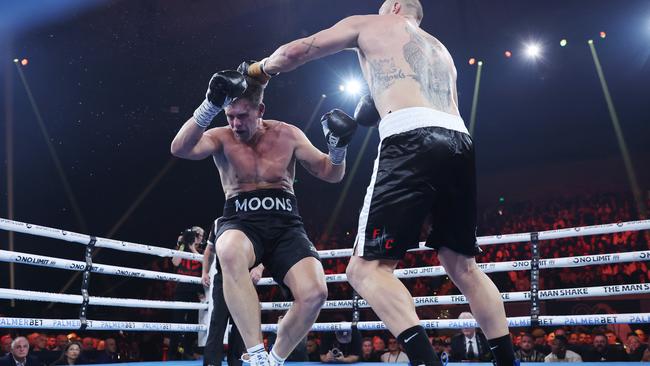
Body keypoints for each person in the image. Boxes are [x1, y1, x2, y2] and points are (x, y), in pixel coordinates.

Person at [240, 1, 514, 365]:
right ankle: (508, 361)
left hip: (410, 136)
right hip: (459, 141)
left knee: (365, 269)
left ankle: (425, 361)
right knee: (463, 266)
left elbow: (298, 49)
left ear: (395, 5)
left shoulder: (371, 23)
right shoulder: (440, 49)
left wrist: (258, 70)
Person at [171, 69, 357, 366]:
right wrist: (209, 105)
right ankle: (256, 355)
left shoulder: (289, 134)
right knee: (228, 249)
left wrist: (338, 147)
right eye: (229, 115)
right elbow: (180, 148)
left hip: (286, 224)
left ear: (260, 110)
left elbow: (331, 174)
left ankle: (275, 359)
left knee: (315, 294)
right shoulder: (220, 136)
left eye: (242, 116)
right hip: (241, 222)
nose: (235, 123)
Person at [170, 226, 206, 360]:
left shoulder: (203, 250)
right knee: (177, 321)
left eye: (200, 235)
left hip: (196, 291)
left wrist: (191, 247)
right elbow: (175, 262)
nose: (198, 236)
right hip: (181, 289)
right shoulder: (182, 247)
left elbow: (204, 262)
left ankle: (188, 351)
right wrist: (181, 244)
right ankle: (172, 353)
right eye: (196, 234)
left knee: (192, 322)